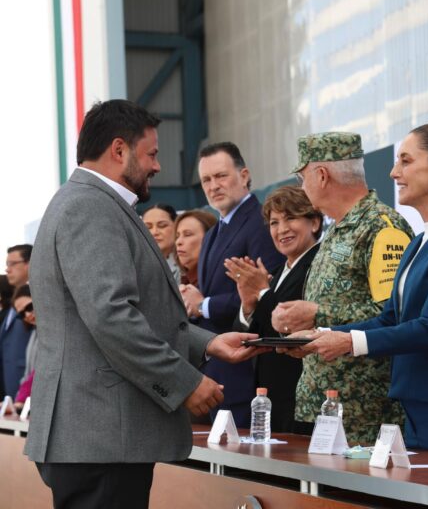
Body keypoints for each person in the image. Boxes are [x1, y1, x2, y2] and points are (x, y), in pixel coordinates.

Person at [26, 99, 262, 509]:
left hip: (100, 438)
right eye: (151, 154)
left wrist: (207, 344)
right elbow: (112, 317)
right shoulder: (90, 207)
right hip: (102, 438)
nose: (156, 166)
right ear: (119, 150)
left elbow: (139, 314)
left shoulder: (93, 204)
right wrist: (185, 383)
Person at [302, 124, 428, 453]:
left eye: (406, 161)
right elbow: (390, 319)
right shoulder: (420, 241)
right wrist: (321, 336)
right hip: (414, 402)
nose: (394, 172)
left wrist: (348, 341)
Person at [273, 131, 413, 443]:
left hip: (362, 414)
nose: (302, 186)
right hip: (320, 405)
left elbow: (394, 314)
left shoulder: (381, 227)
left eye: (302, 177)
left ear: (321, 175)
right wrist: (303, 333)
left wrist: (319, 314)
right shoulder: (338, 228)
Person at [180, 141, 284, 428]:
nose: (214, 186)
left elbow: (268, 292)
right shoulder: (213, 232)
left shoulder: (262, 223)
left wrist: (204, 305)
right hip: (216, 374)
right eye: (206, 180)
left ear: (245, 175)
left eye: (221, 176)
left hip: (249, 375)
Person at [225, 185, 322, 433]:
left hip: (304, 400)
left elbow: (288, 326)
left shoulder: (320, 264)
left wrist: (263, 292)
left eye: (290, 218)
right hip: (273, 401)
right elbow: (253, 335)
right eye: (274, 222)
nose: (282, 230)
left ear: (314, 223)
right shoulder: (278, 273)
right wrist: (248, 304)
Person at [2, 244, 33, 399]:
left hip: (29, 390)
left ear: (29, 263)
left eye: (12, 264)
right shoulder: (13, 304)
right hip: (9, 391)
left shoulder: (38, 299)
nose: (7, 269)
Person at [174, 210, 218, 287]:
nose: (178, 242)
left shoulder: (217, 281)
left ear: (210, 238)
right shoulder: (183, 281)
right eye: (177, 236)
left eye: (187, 234)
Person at [143, 203, 181, 283]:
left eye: (162, 225)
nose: (154, 232)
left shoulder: (188, 265)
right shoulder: (135, 266)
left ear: (177, 226)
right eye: (148, 227)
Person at [11, 284, 35, 410]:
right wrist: (17, 402)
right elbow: (28, 374)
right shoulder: (34, 334)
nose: (27, 315)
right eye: (22, 314)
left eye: (29, 307)